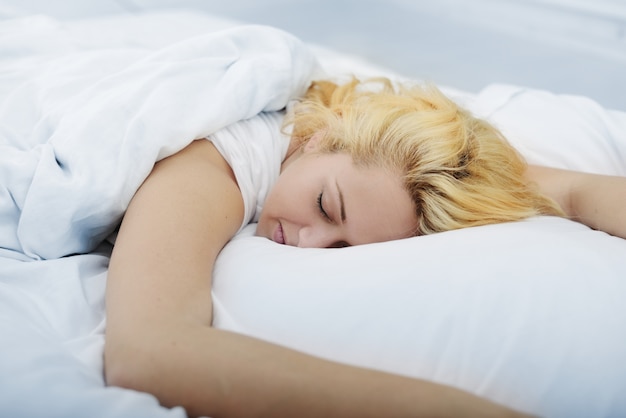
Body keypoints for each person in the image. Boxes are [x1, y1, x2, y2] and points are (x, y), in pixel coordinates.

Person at [104, 77, 625, 418]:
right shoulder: (210, 169)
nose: (308, 242)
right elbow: (147, 351)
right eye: (326, 207)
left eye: (341, 250)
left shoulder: (392, 172)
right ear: (319, 137)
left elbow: (571, 191)